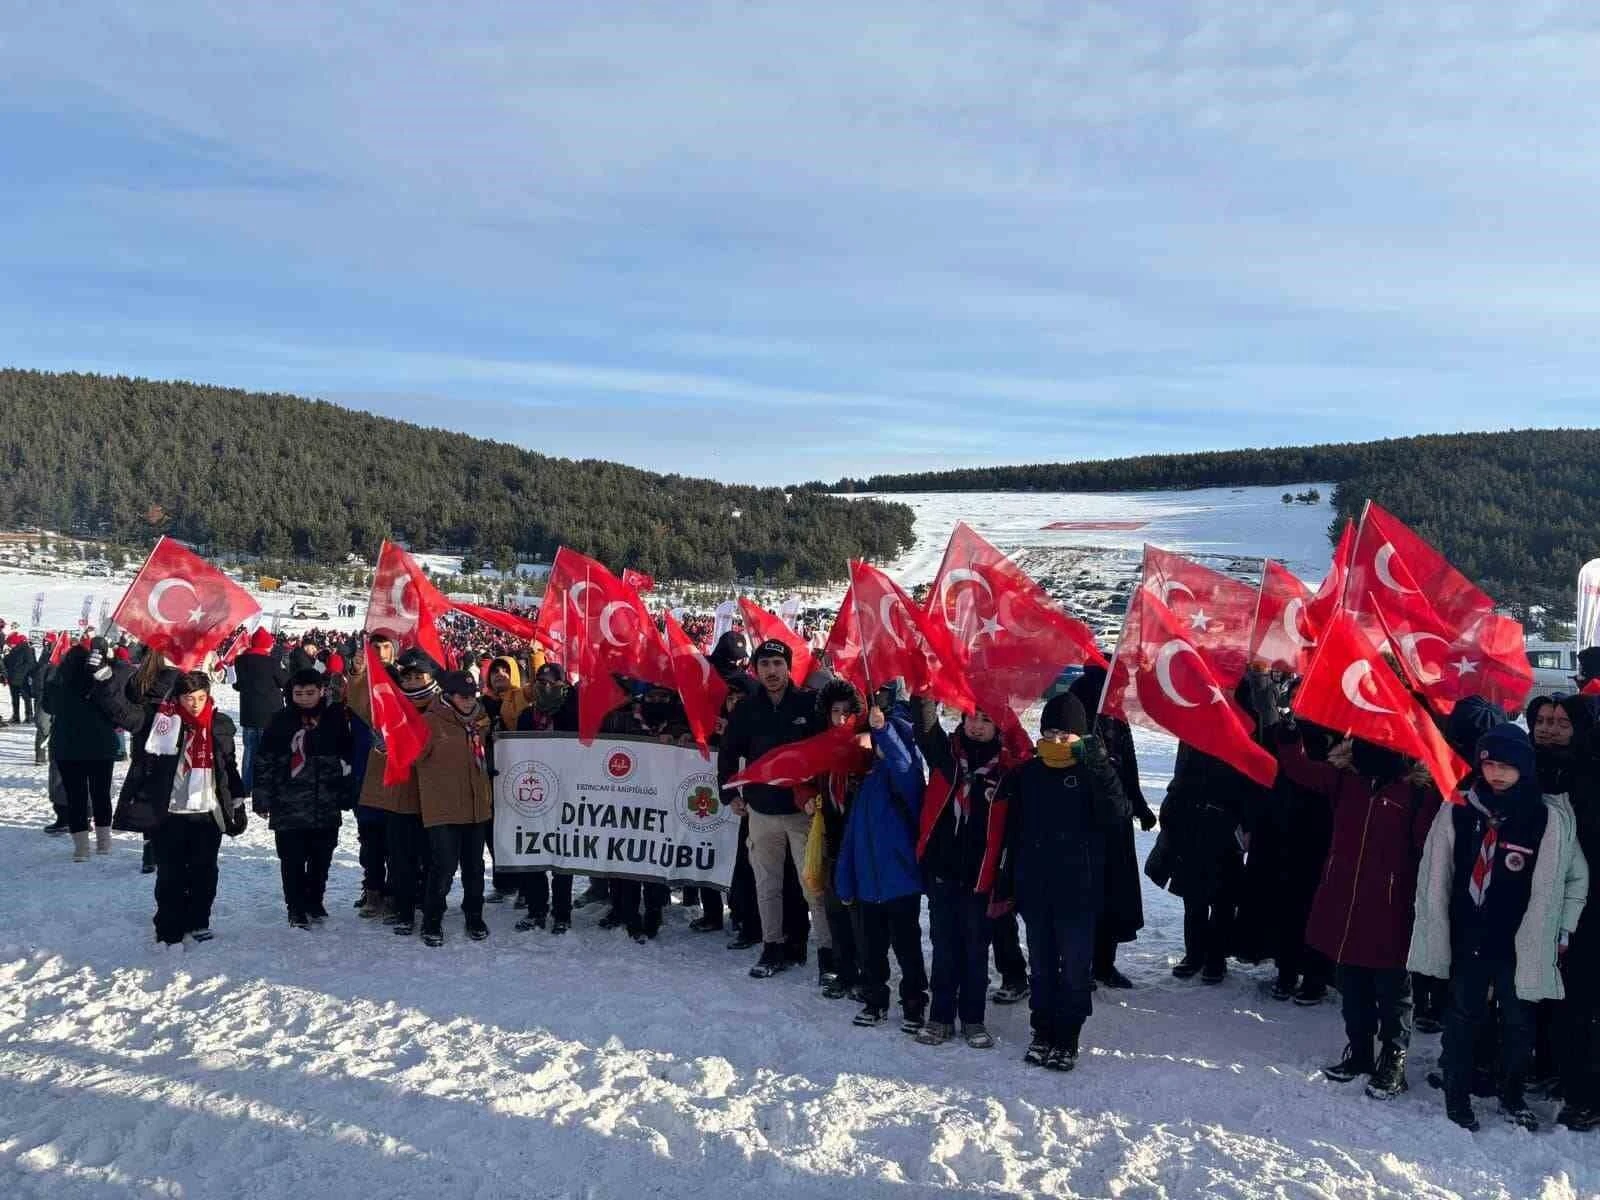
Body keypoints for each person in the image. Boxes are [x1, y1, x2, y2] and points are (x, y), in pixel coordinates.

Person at [1409, 723, 1590, 1131]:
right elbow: (1436, 870)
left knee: (1517, 1023)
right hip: (1468, 934)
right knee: (1462, 1015)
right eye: (1489, 764)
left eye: (1507, 766)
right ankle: (1456, 1095)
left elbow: (1576, 878)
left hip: (1520, 940)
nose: (1497, 774)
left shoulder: (1546, 817)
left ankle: (1512, 1092)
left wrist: (1564, 928)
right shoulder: (1459, 808)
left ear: (1524, 767)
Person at [1275, 725, 1439, 1100]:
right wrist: (1287, 736)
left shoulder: (1416, 791)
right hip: (1345, 902)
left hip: (1392, 907)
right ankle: (1361, 1052)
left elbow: (1426, 852)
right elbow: (1301, 770)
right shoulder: (1346, 779)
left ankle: (1393, 1059)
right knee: (1352, 984)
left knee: (1394, 991)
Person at [995, 692, 1129, 1070]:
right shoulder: (1028, 775)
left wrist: (1101, 766)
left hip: (1078, 892)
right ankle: (1042, 1030)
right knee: (1040, 966)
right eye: (1050, 732)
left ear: (1080, 738)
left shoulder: (1091, 774)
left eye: (1065, 735)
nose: (1056, 741)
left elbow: (1117, 814)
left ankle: (1067, 1035)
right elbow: (1013, 832)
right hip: (1036, 889)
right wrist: (1011, 881)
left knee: (1074, 969)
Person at [718, 639, 829, 977]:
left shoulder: (810, 705)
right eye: (764, 665)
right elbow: (728, 753)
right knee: (767, 885)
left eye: (777, 664)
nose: (771, 672)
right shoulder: (747, 709)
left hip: (801, 813)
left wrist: (818, 795)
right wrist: (728, 795)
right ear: (756, 669)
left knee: (813, 886)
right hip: (761, 812)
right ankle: (772, 948)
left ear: (788, 667)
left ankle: (827, 955)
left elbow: (826, 752)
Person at [911, 692, 1009, 1043]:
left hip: (982, 877)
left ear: (998, 724)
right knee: (944, 945)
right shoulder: (948, 755)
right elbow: (924, 728)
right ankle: (939, 1016)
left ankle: (973, 1018)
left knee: (976, 948)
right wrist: (925, 686)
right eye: (970, 717)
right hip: (943, 871)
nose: (976, 726)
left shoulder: (1008, 767)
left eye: (985, 719)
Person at [121, 671, 245, 946]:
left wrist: (236, 799)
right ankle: (168, 924)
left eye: (201, 697)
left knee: (204, 872)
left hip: (206, 812)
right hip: (170, 812)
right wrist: (104, 679)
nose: (196, 704)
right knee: (170, 873)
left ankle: (199, 920)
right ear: (177, 698)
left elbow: (228, 765)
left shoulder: (219, 724)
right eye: (189, 698)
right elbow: (124, 714)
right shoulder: (162, 722)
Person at [833, 688, 929, 1034]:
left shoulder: (907, 778)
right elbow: (852, 837)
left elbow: (903, 764)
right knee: (871, 950)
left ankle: (915, 1001)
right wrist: (844, 878)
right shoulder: (868, 780)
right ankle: (875, 1000)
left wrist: (884, 729)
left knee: (907, 947)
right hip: (867, 886)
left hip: (900, 883)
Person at [1070, 666, 1157, 989]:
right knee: (1084, 896)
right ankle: (1080, 964)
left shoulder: (1115, 713)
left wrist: (1140, 805)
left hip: (1116, 819)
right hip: (1083, 821)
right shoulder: (1079, 698)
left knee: (1113, 894)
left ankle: (1105, 964)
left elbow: (1127, 764)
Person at [254, 669, 356, 929]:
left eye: (310, 693)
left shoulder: (334, 719)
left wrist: (345, 791)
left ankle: (315, 900)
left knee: (322, 857)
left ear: (322, 691)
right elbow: (264, 760)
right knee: (292, 859)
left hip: (325, 802)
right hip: (289, 803)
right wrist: (263, 796)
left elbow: (347, 758)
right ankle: (296, 907)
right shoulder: (280, 721)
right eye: (298, 693)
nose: (304, 698)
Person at [599, 681, 693, 941]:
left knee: (654, 862)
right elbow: (598, 739)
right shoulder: (623, 720)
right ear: (643, 697)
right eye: (653, 696)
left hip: (662, 807)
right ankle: (629, 916)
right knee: (626, 863)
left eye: (664, 696)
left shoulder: (679, 724)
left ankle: (654, 914)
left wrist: (681, 740)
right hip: (625, 805)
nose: (658, 701)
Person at [414, 670, 494, 947]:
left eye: (473, 696)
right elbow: (412, 756)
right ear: (448, 696)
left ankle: (474, 915)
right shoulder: (430, 722)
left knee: (474, 866)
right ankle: (432, 919)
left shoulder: (481, 721)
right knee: (443, 867)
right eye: (463, 697)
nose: (469, 701)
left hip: (476, 806)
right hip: (444, 807)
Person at [42, 638, 125, 861]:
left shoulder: (59, 682)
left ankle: (81, 849)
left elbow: (47, 706)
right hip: (100, 747)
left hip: (67, 747)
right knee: (101, 795)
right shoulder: (99, 682)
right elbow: (115, 707)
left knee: (75, 797)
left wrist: (52, 680)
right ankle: (104, 843)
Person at [514, 662, 579, 933]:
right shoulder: (527, 716)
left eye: (553, 683)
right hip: (534, 793)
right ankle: (536, 909)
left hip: (566, 794)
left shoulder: (572, 714)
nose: (547, 688)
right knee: (534, 851)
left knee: (562, 855)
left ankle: (562, 913)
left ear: (563, 685)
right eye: (541, 683)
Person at [232, 627, 288, 795]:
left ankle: (247, 785)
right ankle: (265, 785)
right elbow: (284, 681)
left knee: (249, 751)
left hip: (249, 713)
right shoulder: (271, 662)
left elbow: (240, 684)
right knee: (268, 752)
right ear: (266, 645)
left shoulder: (240, 661)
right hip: (270, 714)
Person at [5, 631, 37, 723]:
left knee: (26, 698)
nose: (10, 645)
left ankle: (29, 716)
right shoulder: (13, 651)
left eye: (10, 643)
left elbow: (30, 663)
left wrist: (20, 672)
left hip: (23, 678)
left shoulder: (26, 649)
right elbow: (9, 662)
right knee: (14, 699)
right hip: (13, 678)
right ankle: (16, 716)